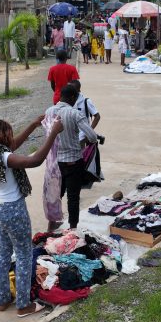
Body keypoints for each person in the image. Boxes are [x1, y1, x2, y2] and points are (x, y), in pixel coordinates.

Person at [0, 116, 63, 317]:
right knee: (25, 255)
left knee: (3, 254)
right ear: (5, 137)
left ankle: (2, 300)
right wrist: (53, 132)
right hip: (12, 211)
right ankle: (23, 305)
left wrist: (33, 124)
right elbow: (35, 160)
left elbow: (13, 146)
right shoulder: (4, 156)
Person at [44, 85, 98, 229]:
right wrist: (86, 140)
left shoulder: (49, 111)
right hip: (73, 161)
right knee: (73, 197)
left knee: (56, 194)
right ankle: (73, 227)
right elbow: (92, 136)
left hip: (55, 162)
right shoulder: (75, 113)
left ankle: (52, 224)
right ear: (73, 98)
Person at [68, 80, 101, 145]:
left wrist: (89, 132)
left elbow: (97, 116)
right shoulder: (67, 100)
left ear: (78, 90)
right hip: (70, 133)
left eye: (71, 89)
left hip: (82, 134)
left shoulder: (86, 101)